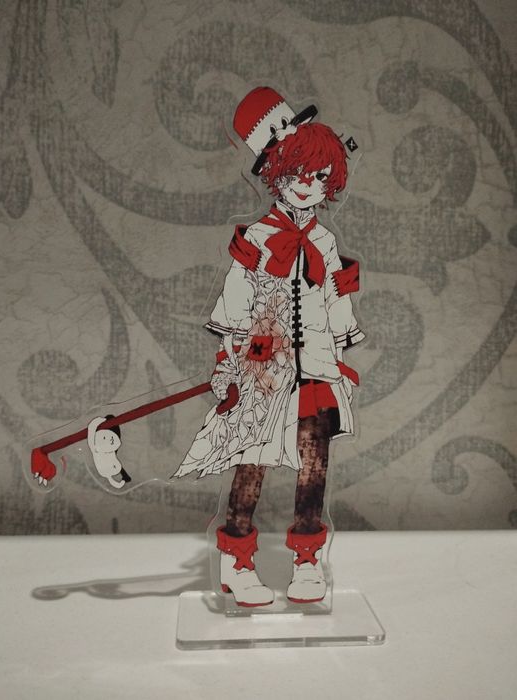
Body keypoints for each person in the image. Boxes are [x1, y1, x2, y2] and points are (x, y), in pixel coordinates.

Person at [173, 87, 365, 607]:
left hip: (316, 371)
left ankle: (307, 560)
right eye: (297, 173)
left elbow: (336, 301)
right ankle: (237, 561)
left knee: (313, 466)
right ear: (274, 172)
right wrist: (227, 364)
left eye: (320, 176)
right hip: (262, 372)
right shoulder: (257, 237)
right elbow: (235, 303)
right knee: (251, 463)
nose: (308, 185)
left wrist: (340, 362)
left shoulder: (325, 242)